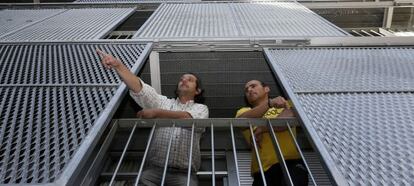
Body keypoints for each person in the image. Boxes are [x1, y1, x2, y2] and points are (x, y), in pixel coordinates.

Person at [97, 50, 208, 186]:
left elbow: (188, 119)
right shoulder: (164, 102)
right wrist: (118, 65)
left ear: (197, 91)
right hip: (154, 170)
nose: (184, 80)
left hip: (184, 173)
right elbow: (141, 89)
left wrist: (156, 112)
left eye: (189, 80)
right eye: (181, 79)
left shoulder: (201, 108)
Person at [236, 80, 308, 186]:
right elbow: (241, 121)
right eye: (246, 90)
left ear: (266, 89)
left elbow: (291, 115)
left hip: (290, 162)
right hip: (261, 171)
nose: (249, 90)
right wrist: (270, 103)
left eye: (253, 86)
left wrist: (263, 128)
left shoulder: (285, 103)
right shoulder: (244, 111)